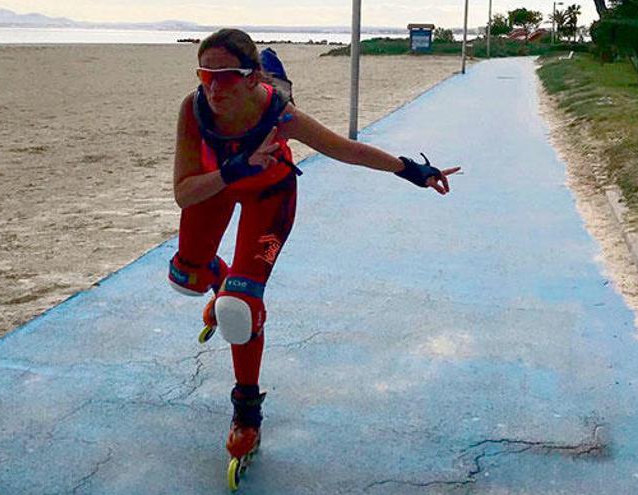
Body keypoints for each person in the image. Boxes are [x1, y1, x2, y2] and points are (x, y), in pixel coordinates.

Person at [168, 28, 460, 471]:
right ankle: (220, 280)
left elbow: (347, 151)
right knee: (185, 279)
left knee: (238, 310)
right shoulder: (193, 111)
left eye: (225, 76)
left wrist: (412, 170)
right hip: (220, 186)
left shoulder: (279, 115)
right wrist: (233, 170)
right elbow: (185, 195)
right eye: (204, 74)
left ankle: (247, 411)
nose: (212, 87)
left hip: (270, 197)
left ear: (252, 78)